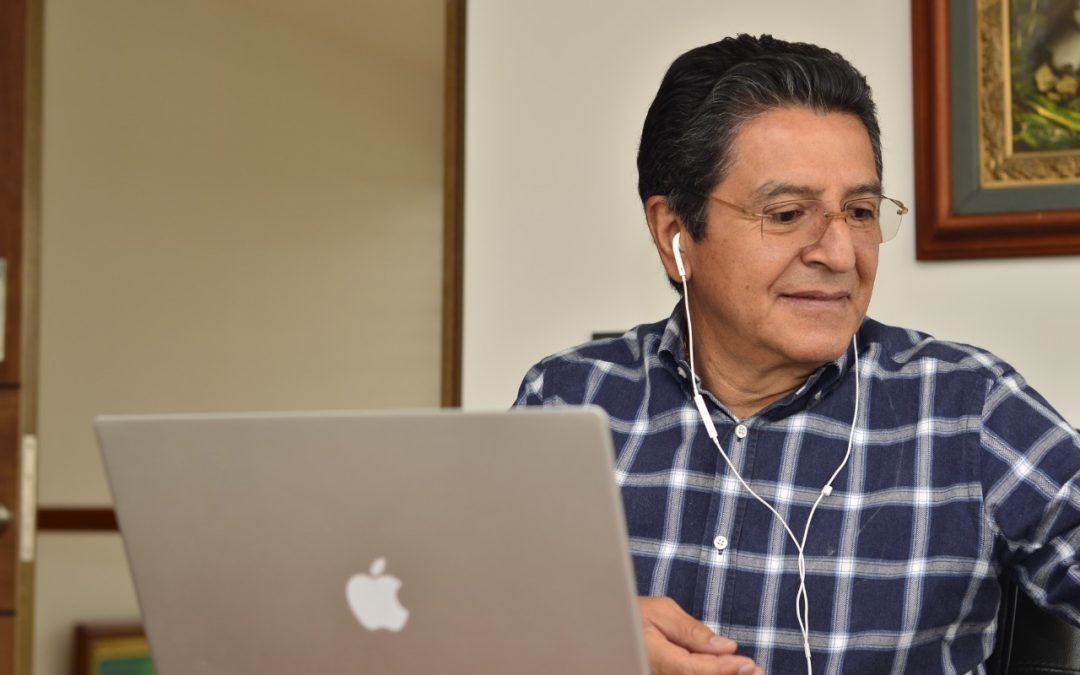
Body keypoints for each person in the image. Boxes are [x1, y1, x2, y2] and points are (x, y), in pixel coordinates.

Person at [513, 34, 1080, 675]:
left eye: (859, 211)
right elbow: (460, 619)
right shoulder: (569, 401)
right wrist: (580, 636)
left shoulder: (969, 408)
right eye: (786, 214)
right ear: (675, 233)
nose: (839, 254)